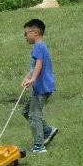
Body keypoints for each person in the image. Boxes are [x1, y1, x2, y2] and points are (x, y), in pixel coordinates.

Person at [22, 18, 58, 154]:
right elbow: (33, 67)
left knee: (34, 114)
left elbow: (39, 64)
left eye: (26, 33)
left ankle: (39, 145)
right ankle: (47, 130)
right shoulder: (39, 47)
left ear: (35, 32)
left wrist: (33, 79)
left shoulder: (39, 46)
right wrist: (27, 78)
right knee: (26, 111)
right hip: (39, 86)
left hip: (42, 86)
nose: (25, 37)